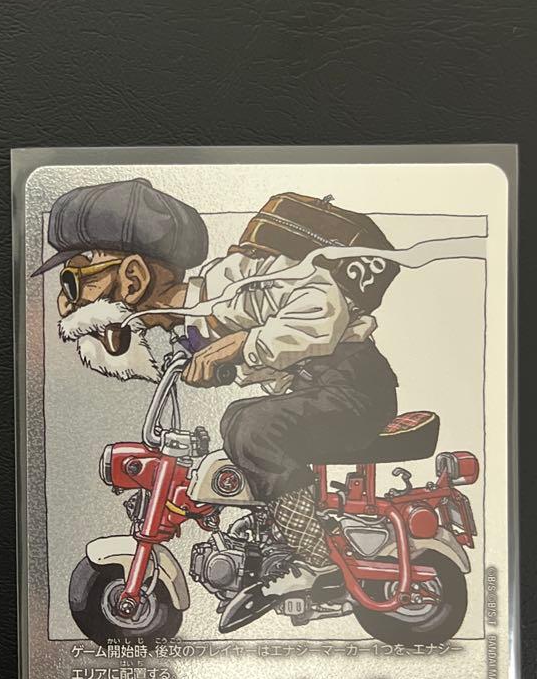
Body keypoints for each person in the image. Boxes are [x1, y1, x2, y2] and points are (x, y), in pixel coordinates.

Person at [36, 179, 399, 596]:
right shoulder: (192, 327)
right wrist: (220, 358)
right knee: (237, 420)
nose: (65, 304)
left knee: (252, 430)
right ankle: (269, 538)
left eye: (73, 281)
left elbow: (321, 305)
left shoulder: (235, 283)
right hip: (319, 390)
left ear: (133, 278)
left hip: (355, 388)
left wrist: (245, 343)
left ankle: (317, 560)